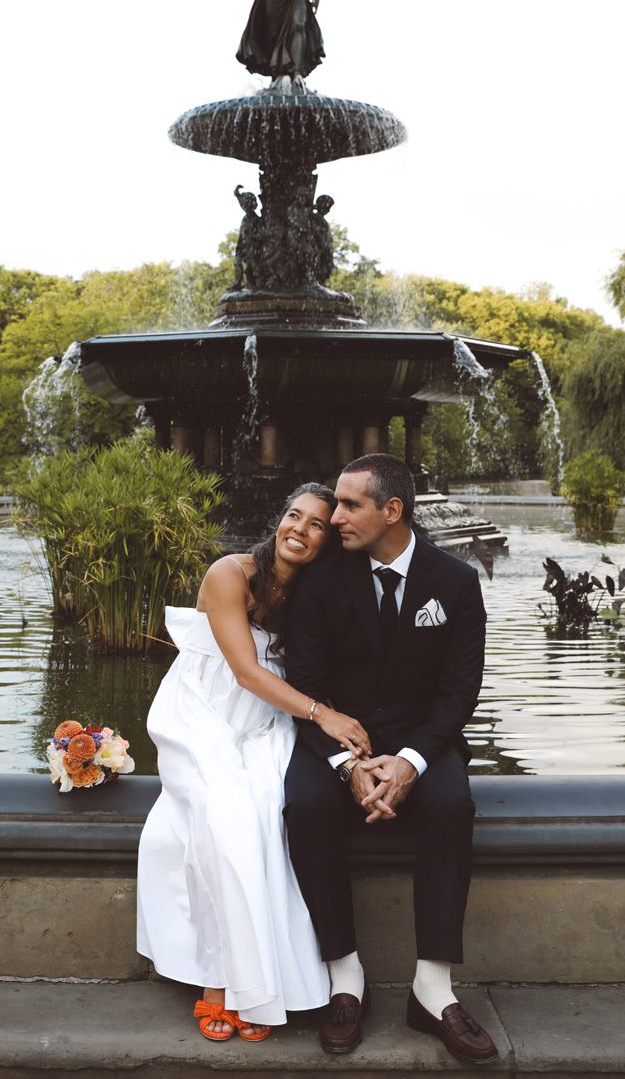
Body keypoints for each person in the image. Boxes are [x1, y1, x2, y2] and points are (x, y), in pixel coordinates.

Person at [136, 483, 372, 1044]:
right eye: (294, 516)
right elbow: (244, 672)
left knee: (272, 809)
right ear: (279, 519)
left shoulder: (310, 595)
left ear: (327, 540)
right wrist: (324, 715)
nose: (300, 530)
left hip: (265, 721)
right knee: (227, 815)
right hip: (201, 715)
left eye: (317, 524)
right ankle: (219, 982)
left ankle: (263, 982)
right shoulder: (231, 573)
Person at [283, 454, 498, 1064]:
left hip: (423, 740)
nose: (335, 517)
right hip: (334, 741)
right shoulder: (321, 579)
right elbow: (305, 684)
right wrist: (349, 765)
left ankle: (433, 988)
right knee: (304, 806)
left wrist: (409, 761)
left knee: (452, 805)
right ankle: (345, 977)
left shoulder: (456, 581)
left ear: (392, 511)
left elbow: (460, 691)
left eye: (350, 505)